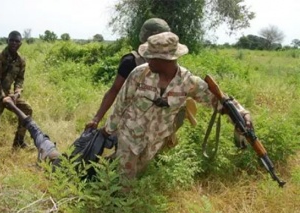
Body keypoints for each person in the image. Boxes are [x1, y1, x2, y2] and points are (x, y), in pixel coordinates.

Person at [102, 32, 252, 182]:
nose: (147, 59)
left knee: (138, 174)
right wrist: (109, 129)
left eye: (151, 57)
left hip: (155, 140)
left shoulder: (188, 82)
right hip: (130, 136)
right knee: (124, 181)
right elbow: (122, 102)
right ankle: (115, 197)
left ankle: (108, 178)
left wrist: (242, 115)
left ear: (165, 60)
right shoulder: (139, 73)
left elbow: (219, 101)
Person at [85, 18, 171, 129]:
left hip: (157, 126)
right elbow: (115, 90)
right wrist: (96, 119)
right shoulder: (131, 61)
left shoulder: (169, 62)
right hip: (131, 127)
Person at [0, 31, 32, 148]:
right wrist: (4, 97)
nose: (14, 43)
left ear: (21, 43)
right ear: (7, 41)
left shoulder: (21, 60)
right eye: (11, 40)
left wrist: (17, 93)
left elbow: (20, 79)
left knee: (27, 110)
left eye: (17, 41)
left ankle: (19, 142)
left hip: (8, 95)